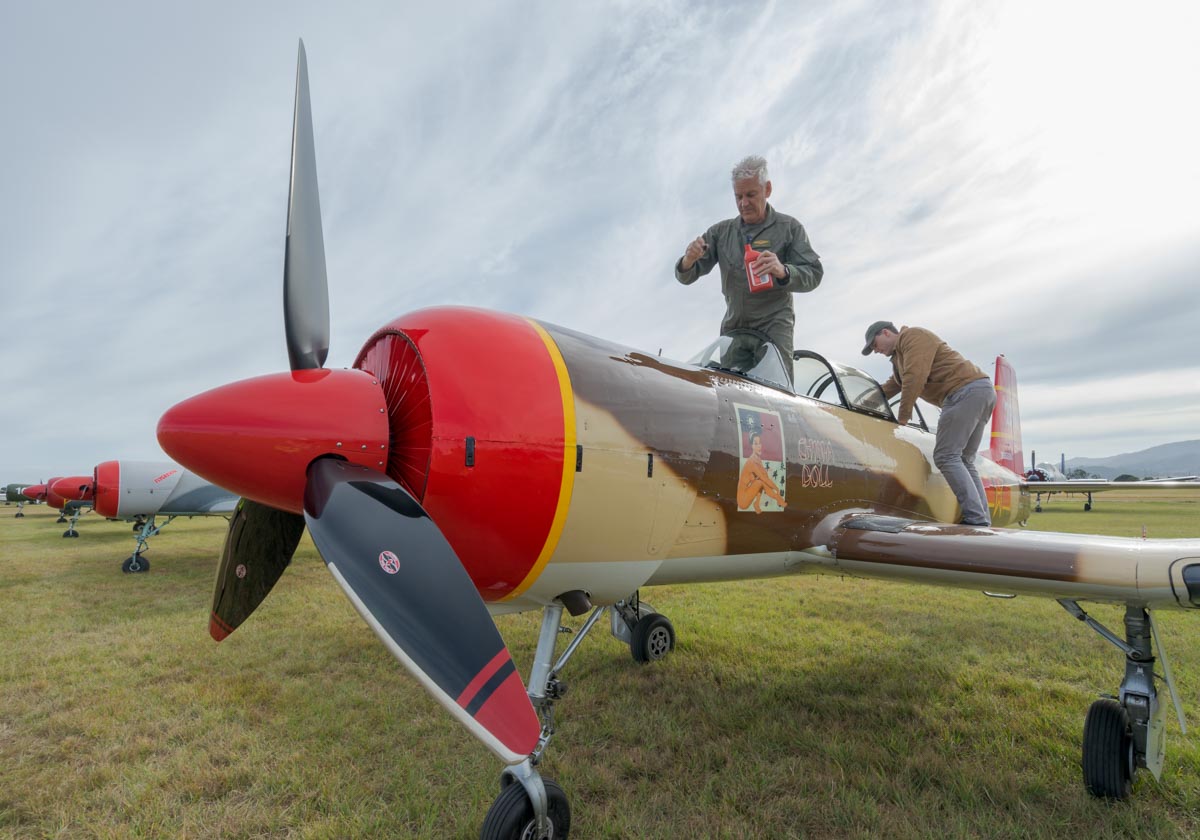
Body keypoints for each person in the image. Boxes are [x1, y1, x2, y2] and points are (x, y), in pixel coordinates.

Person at [675, 155, 823, 370]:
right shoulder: (720, 233)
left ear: (767, 189)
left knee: (773, 386)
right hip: (734, 328)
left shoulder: (790, 228)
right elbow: (686, 276)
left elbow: (814, 273)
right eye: (738, 196)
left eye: (751, 195)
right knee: (728, 386)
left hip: (774, 327)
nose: (744, 203)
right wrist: (688, 260)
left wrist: (784, 271)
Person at [862, 321, 996, 526]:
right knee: (964, 460)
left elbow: (914, 376)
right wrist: (861, 404)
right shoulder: (900, 358)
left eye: (874, 344)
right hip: (978, 391)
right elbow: (890, 387)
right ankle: (982, 519)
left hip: (963, 392)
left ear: (886, 333)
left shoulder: (913, 337)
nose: (875, 350)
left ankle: (976, 518)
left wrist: (903, 417)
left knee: (945, 456)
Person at [737, 432, 787, 513]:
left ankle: (757, 503)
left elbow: (765, 476)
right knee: (760, 482)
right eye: (755, 444)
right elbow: (764, 479)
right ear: (752, 446)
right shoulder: (751, 462)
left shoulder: (758, 460)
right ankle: (778, 499)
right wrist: (776, 489)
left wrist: (773, 487)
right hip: (742, 500)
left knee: (759, 481)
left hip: (748, 495)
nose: (759, 446)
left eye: (760, 443)